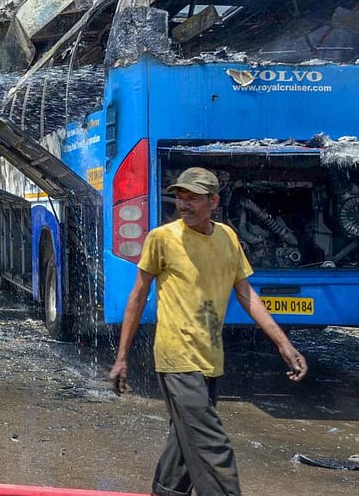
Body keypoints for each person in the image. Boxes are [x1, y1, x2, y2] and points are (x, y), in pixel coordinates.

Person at [108, 167, 308, 496]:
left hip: (210, 358)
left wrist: (283, 343)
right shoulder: (162, 238)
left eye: (193, 198)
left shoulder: (227, 238)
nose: (183, 204)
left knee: (184, 447)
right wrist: (122, 357)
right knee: (214, 449)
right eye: (180, 197)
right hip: (177, 358)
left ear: (214, 201)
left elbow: (245, 293)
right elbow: (137, 296)